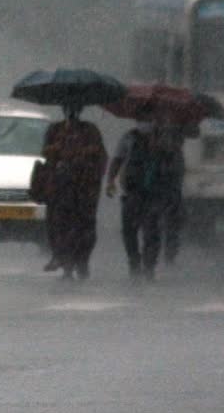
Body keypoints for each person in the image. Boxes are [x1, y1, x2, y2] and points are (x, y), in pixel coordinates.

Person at [106, 120, 186, 280]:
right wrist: (110, 181)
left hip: (155, 194)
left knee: (152, 232)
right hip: (133, 192)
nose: (145, 122)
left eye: (149, 118)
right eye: (142, 118)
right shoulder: (129, 137)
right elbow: (118, 159)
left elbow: (174, 163)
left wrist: (162, 146)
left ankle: (149, 266)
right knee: (129, 231)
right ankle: (134, 263)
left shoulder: (165, 138)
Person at [41, 103, 107, 280]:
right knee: (59, 226)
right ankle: (65, 263)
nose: (71, 113)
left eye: (75, 109)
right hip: (60, 187)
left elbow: (100, 157)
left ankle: (82, 262)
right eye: (68, 109)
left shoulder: (90, 130)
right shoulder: (55, 129)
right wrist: (58, 148)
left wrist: (83, 156)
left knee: (84, 228)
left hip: (85, 188)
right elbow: (45, 152)